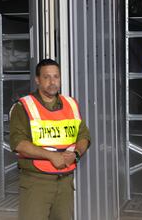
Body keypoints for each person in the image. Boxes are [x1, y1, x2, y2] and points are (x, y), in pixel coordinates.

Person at [9, 59, 91, 220]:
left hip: (65, 182)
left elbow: (84, 136)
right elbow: (18, 143)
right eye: (47, 77)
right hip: (36, 183)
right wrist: (51, 155)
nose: (52, 82)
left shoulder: (71, 104)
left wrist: (76, 154)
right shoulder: (24, 106)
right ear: (37, 80)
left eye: (56, 77)